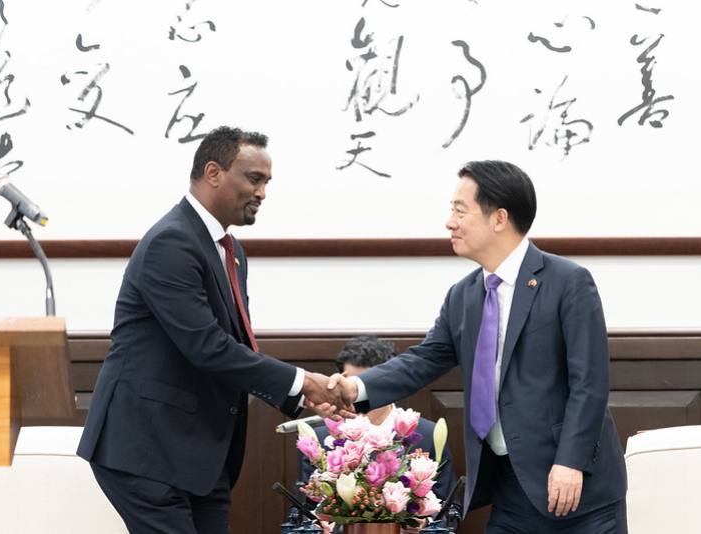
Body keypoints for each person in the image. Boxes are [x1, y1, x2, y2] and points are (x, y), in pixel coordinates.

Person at [323, 161, 627, 533]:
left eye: (459, 210)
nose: (450, 222)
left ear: (499, 218)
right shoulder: (464, 295)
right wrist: (358, 388)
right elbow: (425, 358)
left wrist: (571, 462)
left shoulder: (568, 282)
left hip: (575, 489)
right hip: (510, 489)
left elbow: (589, 384)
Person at [77, 126, 346, 534]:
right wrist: (302, 382)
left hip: (198, 454)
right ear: (213, 172)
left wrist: (296, 392)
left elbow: (236, 349)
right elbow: (208, 348)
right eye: (253, 179)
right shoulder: (171, 242)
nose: (262, 193)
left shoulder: (229, 249)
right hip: (146, 449)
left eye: (267, 182)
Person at [298, 336, 458, 533]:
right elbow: (303, 509)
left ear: (390, 384)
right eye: (350, 386)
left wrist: (425, 523)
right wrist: (318, 524)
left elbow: (451, 507)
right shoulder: (320, 438)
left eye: (365, 387)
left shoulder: (426, 433)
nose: (355, 396)